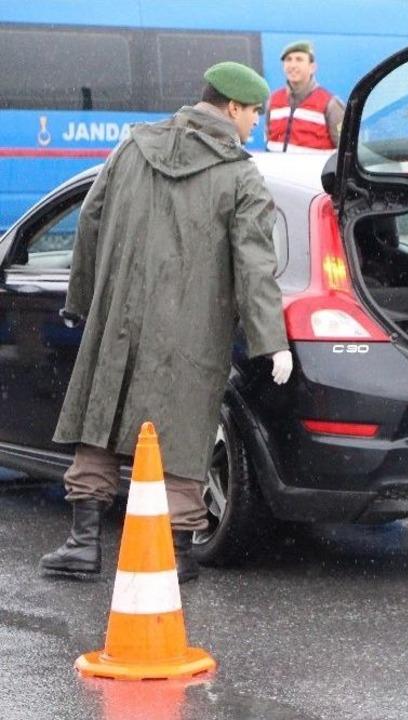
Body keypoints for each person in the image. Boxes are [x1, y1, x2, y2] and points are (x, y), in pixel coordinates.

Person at [40, 61, 293, 584]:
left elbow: (90, 217)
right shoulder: (239, 174)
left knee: (102, 422)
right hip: (192, 332)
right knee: (181, 437)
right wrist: (273, 342)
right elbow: (255, 264)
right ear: (230, 108)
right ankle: (175, 556)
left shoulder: (133, 147)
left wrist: (83, 299)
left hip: (119, 323)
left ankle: (83, 544)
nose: (255, 125)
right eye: (253, 114)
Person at [266, 40, 345, 152]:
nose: (292, 65)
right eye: (288, 60)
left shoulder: (331, 104)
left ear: (312, 67)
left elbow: (344, 148)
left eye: (299, 59)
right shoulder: (273, 100)